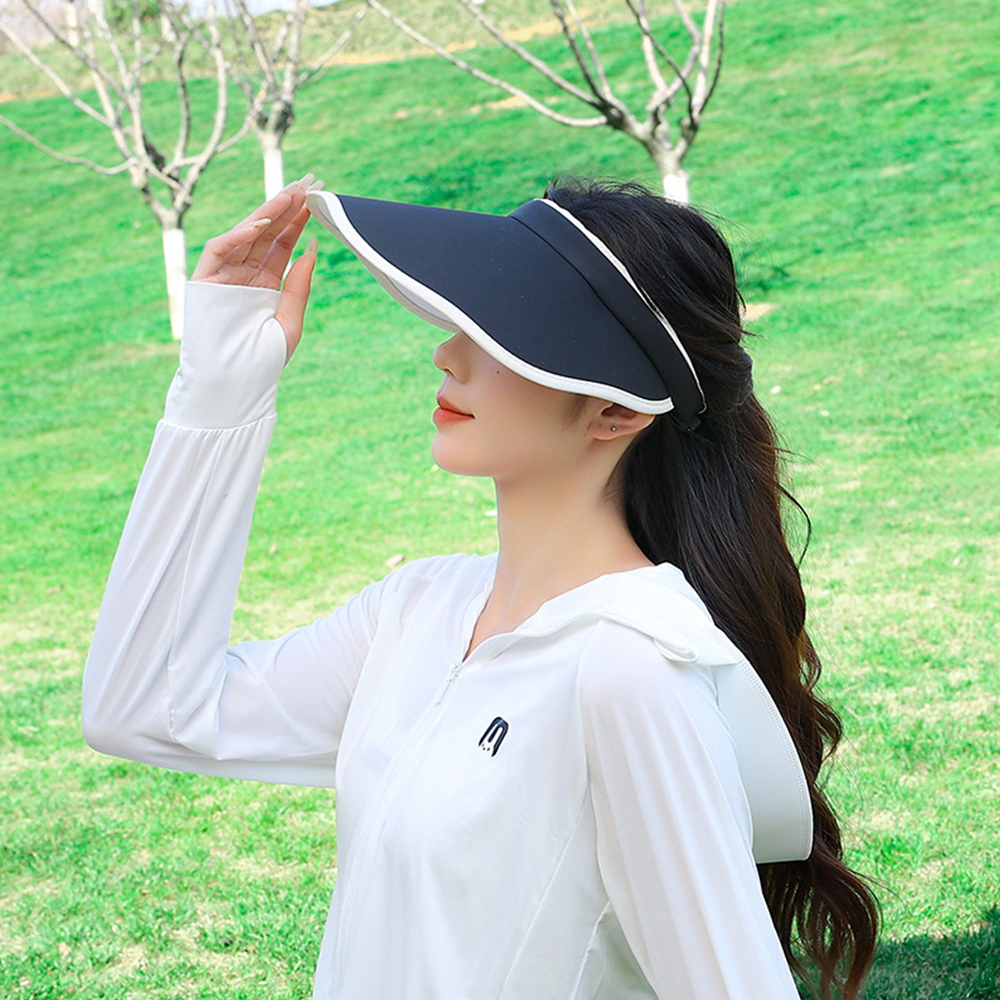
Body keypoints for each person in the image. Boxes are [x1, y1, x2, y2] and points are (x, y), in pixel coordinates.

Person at [82, 173, 879, 999]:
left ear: (617, 413)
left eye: (506, 335)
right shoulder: (415, 612)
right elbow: (143, 708)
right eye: (467, 320)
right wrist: (220, 385)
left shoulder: (630, 671)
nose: (449, 354)